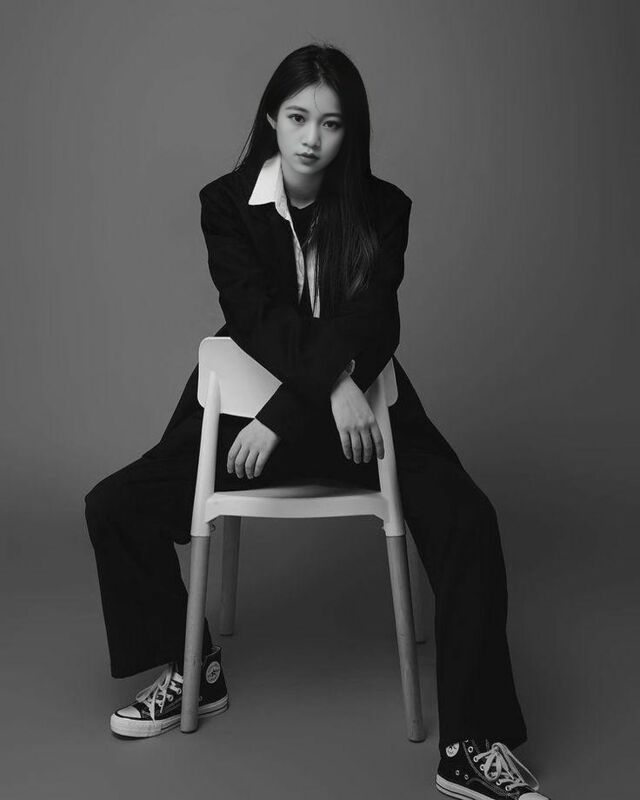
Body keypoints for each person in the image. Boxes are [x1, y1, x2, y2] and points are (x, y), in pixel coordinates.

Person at [84, 43, 550, 800]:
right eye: (298, 118)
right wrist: (319, 390)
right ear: (271, 117)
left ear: (349, 132)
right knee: (115, 506)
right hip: (251, 415)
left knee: (469, 518)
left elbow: (375, 321)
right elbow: (254, 318)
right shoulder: (226, 203)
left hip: (359, 418)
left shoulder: (383, 207)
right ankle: (193, 668)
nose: (311, 139)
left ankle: (471, 743)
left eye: (331, 124)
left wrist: (317, 398)